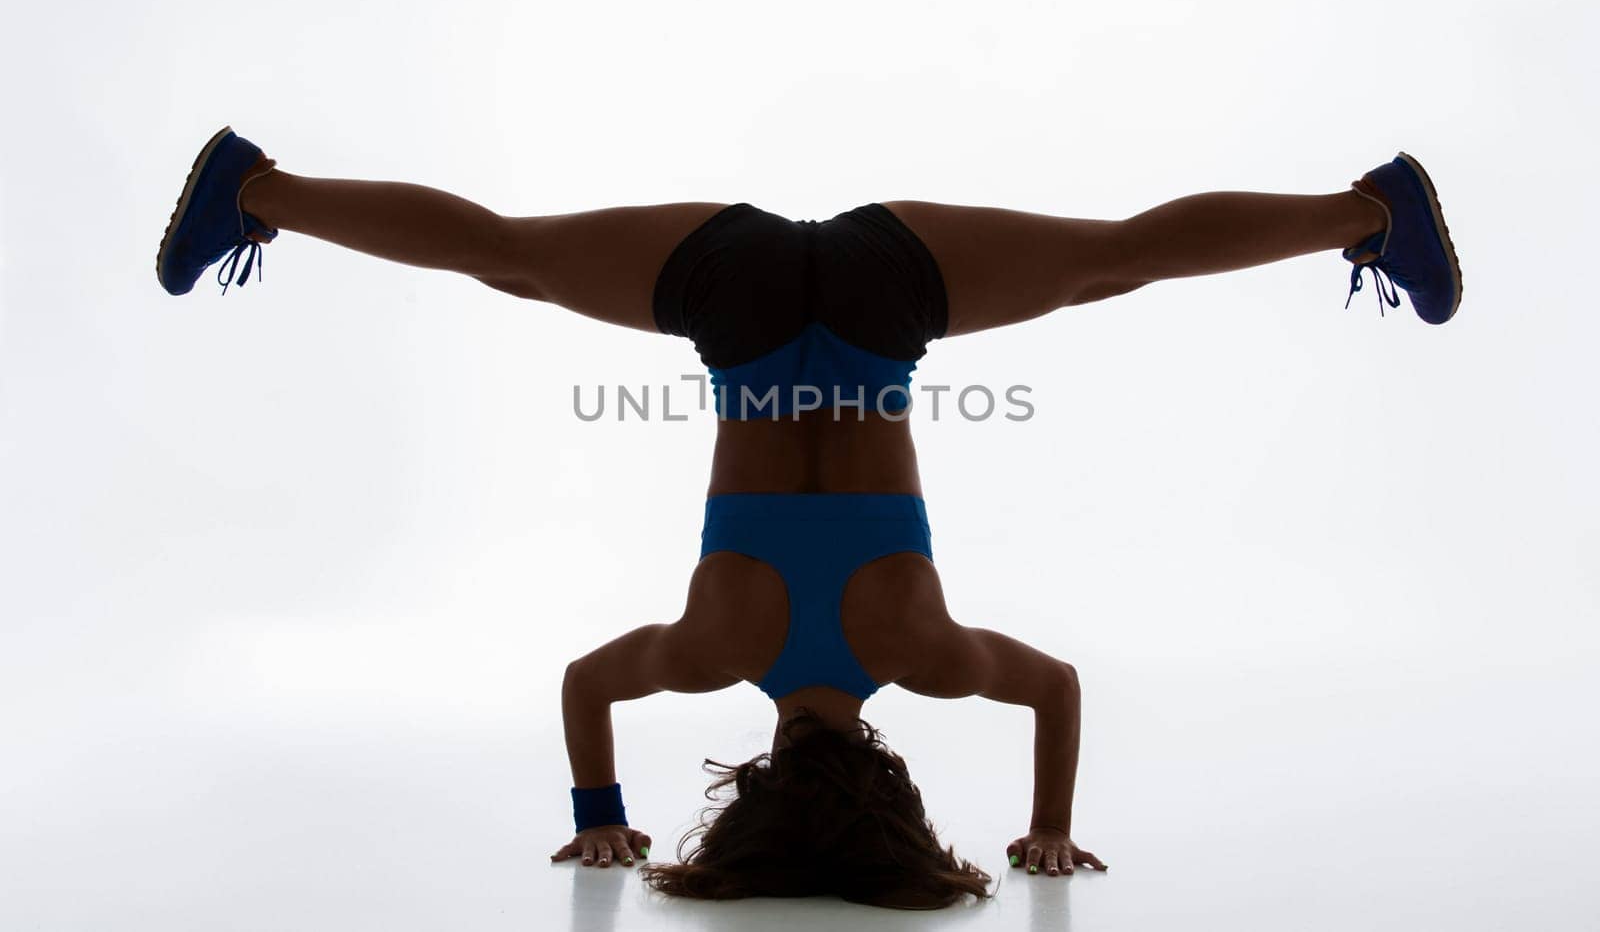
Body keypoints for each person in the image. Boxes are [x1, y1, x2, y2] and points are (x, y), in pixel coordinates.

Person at [155, 126, 1462, 909]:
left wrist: (1049, 825)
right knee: (507, 251)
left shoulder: (924, 652)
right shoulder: (715, 648)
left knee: (1115, 256)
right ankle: (256, 188)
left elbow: (1057, 687)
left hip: (888, 291)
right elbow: (584, 682)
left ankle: (1372, 208)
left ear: (897, 788)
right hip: (736, 293)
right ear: (754, 787)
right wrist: (599, 801)